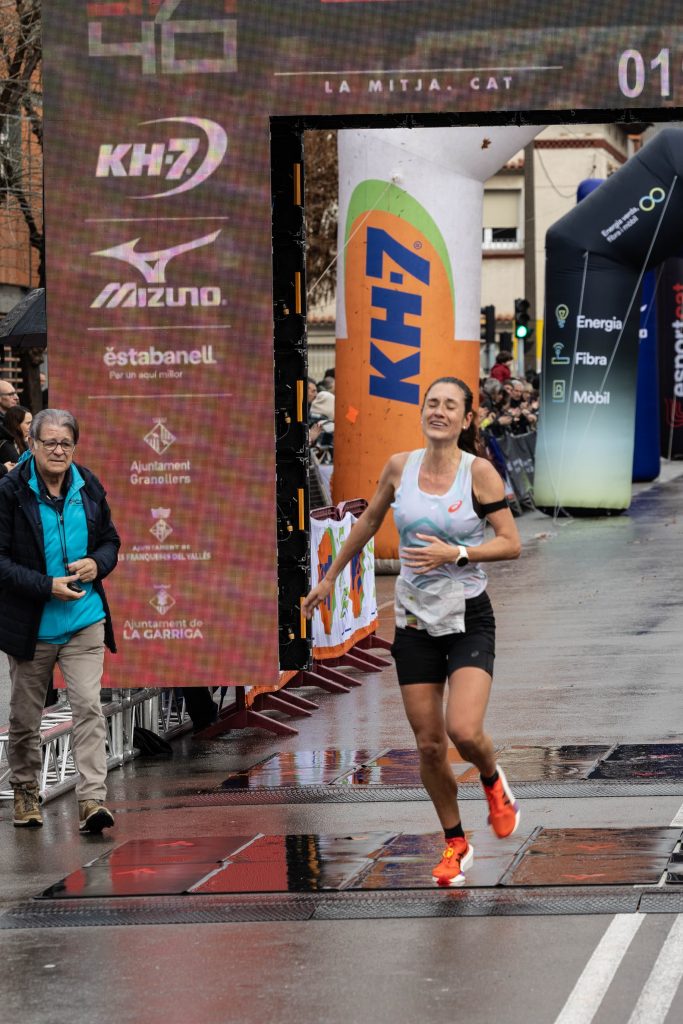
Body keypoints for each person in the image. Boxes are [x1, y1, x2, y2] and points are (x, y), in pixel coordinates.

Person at [303, 377, 522, 887]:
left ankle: (493, 781)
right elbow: (367, 522)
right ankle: (456, 843)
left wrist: (458, 553)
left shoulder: (478, 473)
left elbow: (511, 542)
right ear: (422, 412)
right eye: (432, 404)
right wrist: (329, 577)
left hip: (467, 617)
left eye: (450, 406)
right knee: (428, 745)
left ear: (467, 419)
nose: (439, 412)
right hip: (414, 622)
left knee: (463, 731)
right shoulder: (400, 467)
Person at [0, 409, 120, 833]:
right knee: (25, 718)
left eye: (66, 443)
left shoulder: (88, 485)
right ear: (31, 444)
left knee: (88, 706)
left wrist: (96, 563)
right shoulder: (10, 491)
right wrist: (45, 585)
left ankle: (92, 801)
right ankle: (26, 791)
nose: (58, 450)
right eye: (49, 442)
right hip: (32, 626)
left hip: (84, 619)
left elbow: (110, 541)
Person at [0, 404, 32, 469]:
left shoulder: (20, 441)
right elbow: (23, 468)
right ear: (16, 425)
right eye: (28, 423)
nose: (31, 427)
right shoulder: (6, 445)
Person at [0, 378, 20, 477]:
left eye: (15, 393)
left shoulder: (14, 418)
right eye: (11, 394)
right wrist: (3, 468)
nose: (16, 397)